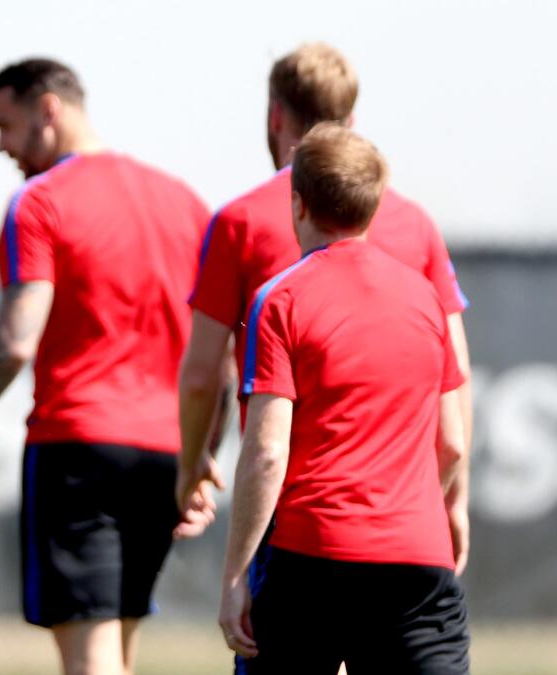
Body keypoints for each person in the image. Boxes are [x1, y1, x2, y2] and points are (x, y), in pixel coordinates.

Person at [177, 43, 472, 575]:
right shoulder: (414, 222)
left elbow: (202, 372)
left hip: (295, 511)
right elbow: (457, 379)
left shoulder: (239, 221)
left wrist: (192, 462)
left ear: (275, 115)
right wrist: (453, 498)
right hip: (404, 522)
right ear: (352, 119)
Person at [219, 123, 470, 673]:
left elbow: (266, 453)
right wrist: (433, 512)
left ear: (298, 204)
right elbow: (451, 442)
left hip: (314, 559)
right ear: (372, 206)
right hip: (417, 561)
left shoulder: (280, 297)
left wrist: (237, 574)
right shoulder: (426, 297)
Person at [0, 58, 212, 675]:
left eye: (6, 124)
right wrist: (199, 455)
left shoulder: (39, 202)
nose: (0, 145)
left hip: (79, 451)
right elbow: (212, 354)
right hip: (164, 455)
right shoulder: (185, 202)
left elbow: (14, 343)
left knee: (91, 662)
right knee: (119, 652)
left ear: (49, 111)